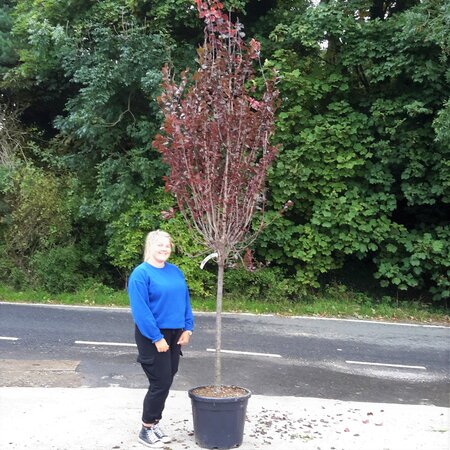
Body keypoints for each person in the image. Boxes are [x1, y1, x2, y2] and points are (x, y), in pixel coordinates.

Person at [128, 229, 194, 448]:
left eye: (167, 245)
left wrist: (188, 328)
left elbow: (185, 301)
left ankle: (155, 423)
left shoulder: (175, 272)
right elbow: (141, 310)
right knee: (160, 382)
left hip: (176, 333)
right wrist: (156, 337)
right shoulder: (141, 274)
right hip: (152, 334)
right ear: (150, 247)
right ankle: (146, 428)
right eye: (160, 245)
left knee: (168, 377)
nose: (165, 249)